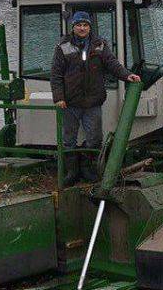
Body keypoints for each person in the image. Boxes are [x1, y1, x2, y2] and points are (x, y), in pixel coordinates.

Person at [51, 11, 141, 185]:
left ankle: (87, 169)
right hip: (69, 102)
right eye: (79, 25)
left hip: (93, 102)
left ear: (90, 27)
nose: (82, 28)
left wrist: (127, 75)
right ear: (73, 27)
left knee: (94, 138)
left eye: (85, 25)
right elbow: (56, 75)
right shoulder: (62, 47)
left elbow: (112, 64)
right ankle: (71, 172)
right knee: (68, 139)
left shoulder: (100, 45)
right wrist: (59, 98)